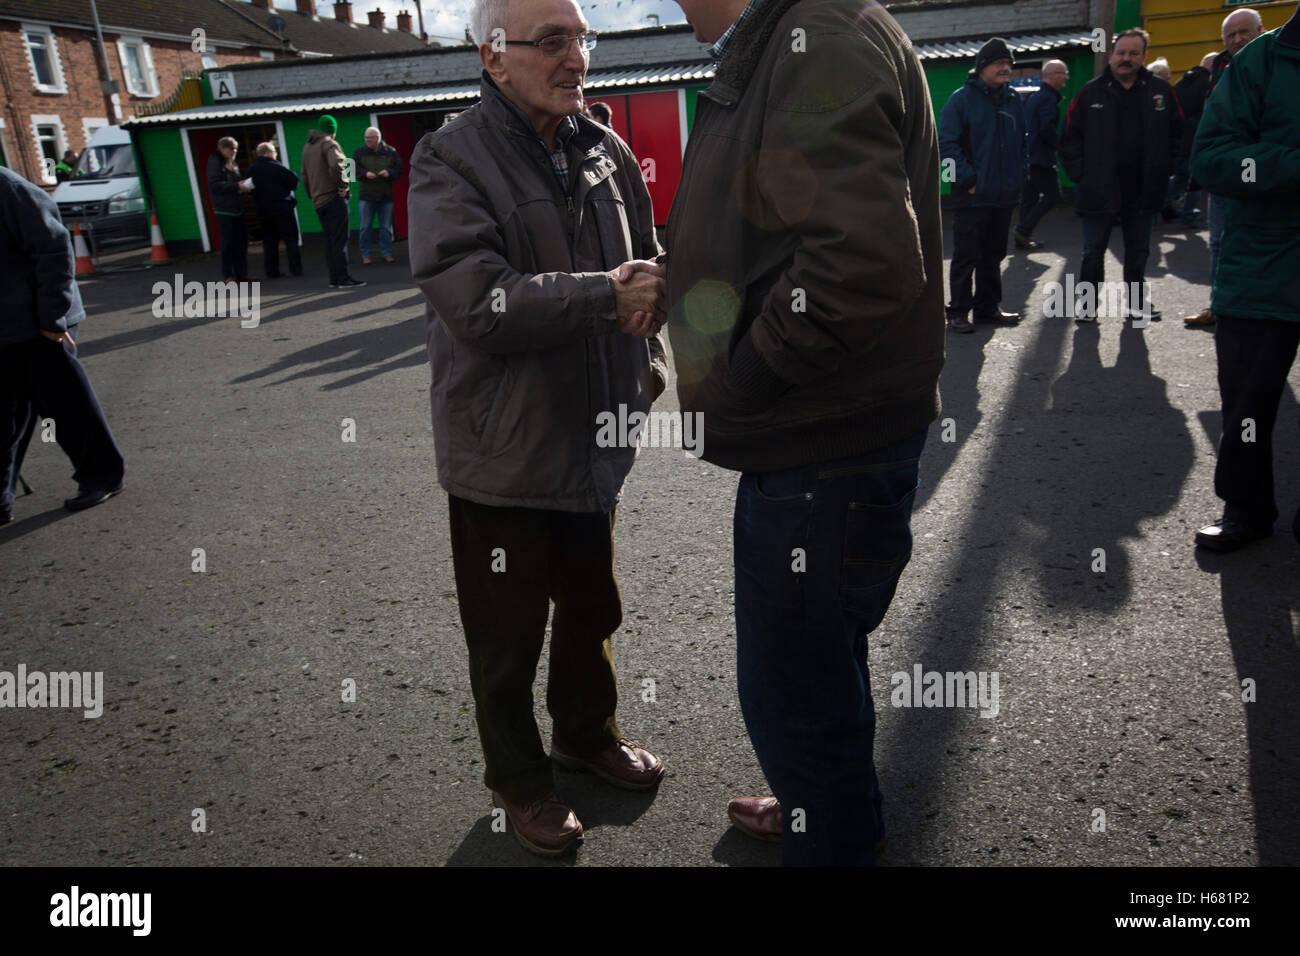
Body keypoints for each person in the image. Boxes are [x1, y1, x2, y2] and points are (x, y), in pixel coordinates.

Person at [662, 0, 944, 866]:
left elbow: (856, 267)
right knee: (819, 662)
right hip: (820, 434)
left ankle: (835, 837)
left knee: (798, 684)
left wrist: (742, 379)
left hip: (819, 443)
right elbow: (787, 227)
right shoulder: (803, 32)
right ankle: (826, 811)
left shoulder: (814, 34)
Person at [408, 0, 669, 858]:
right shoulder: (451, 157)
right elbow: (475, 296)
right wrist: (605, 297)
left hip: (591, 439)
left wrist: (652, 352)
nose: (576, 58)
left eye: (582, 38)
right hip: (504, 453)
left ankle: (585, 735)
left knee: (592, 607)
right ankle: (520, 782)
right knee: (507, 634)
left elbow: (648, 259)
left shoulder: (605, 148)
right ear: (494, 58)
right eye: (551, 41)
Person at [1190, 4, 1300, 552]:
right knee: (1249, 404)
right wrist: (1292, 165)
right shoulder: (1260, 62)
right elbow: (1210, 158)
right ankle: (1246, 509)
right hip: (1262, 268)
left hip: (1262, 265)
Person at [1, 166, 125, 524]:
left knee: (65, 406)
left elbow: (54, 251)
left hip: (40, 324)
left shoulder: (10, 190)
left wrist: (52, 319)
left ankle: (102, 476)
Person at [1059, 28, 1182, 323]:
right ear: (1112, 54)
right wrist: (1081, 174)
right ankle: (1087, 308)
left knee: (1139, 252)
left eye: (1133, 53)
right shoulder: (1090, 93)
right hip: (1098, 189)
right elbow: (1068, 138)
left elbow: (1178, 134)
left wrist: (1167, 169)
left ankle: (1136, 306)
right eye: (1121, 53)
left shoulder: (1160, 91)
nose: (1126, 59)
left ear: (1144, 56)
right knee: (1092, 252)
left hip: (1143, 190)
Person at [939, 37, 1027, 333]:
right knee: (966, 256)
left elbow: (1021, 144)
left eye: (1009, 64)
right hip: (972, 196)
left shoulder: (1014, 99)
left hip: (1003, 195)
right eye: (1000, 63)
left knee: (993, 255)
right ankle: (958, 311)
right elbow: (946, 145)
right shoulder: (960, 99)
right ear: (982, 67)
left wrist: (1020, 177)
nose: (1006, 69)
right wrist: (968, 181)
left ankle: (987, 309)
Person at [1185, 8, 1266, 329]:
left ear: (1261, 30)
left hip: (1260, 173)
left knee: (1258, 240)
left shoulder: (1273, 64)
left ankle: (1257, 310)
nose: (1238, 39)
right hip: (1224, 174)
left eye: (1244, 31)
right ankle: (1220, 306)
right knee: (1218, 242)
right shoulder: (1219, 67)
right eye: (1230, 35)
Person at [301, 114, 364, 289]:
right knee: (340, 240)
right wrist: (343, 186)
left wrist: (312, 195)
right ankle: (343, 278)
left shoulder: (307, 147)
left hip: (318, 201)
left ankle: (334, 278)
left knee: (329, 241)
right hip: (333, 198)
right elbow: (337, 166)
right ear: (332, 130)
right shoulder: (329, 143)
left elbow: (304, 175)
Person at [1015, 59, 1070, 249]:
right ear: (1052, 75)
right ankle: (1023, 230)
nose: (1066, 78)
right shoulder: (1047, 99)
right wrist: (1057, 147)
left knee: (1029, 198)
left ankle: (1022, 236)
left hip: (1031, 155)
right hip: (1041, 157)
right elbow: (1046, 129)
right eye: (1063, 74)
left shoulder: (1036, 97)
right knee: (1052, 195)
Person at [1168, 52, 1218, 231]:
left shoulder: (1183, 80)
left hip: (1181, 136)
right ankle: (1189, 214)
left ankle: (1164, 200)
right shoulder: (1207, 83)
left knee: (1182, 174)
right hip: (1197, 136)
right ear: (1211, 65)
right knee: (1195, 178)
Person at [248, 142, 302, 279]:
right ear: (268, 152)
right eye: (274, 151)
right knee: (290, 240)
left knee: (269, 242)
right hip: (282, 208)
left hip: (263, 210)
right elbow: (294, 182)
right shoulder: (277, 167)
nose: (276, 154)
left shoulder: (252, 169)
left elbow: (249, 188)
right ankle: (295, 269)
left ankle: (272, 271)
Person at [351, 127, 402, 265]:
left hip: (385, 197)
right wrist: (364, 174)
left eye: (370, 138)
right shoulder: (359, 152)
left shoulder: (391, 152)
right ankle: (365, 255)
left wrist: (389, 173)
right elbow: (350, 170)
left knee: (385, 228)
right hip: (366, 197)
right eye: (366, 138)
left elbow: (399, 170)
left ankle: (387, 253)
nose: (367, 140)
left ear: (377, 138)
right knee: (365, 227)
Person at [206, 136, 252, 282]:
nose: (234, 152)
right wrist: (236, 186)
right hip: (224, 209)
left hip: (236, 206)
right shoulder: (215, 162)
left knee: (242, 241)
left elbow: (234, 180)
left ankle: (242, 273)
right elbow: (215, 185)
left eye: (235, 149)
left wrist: (242, 184)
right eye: (231, 149)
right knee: (228, 243)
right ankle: (228, 275)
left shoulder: (232, 163)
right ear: (222, 148)